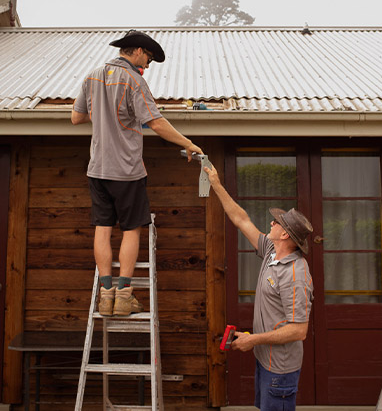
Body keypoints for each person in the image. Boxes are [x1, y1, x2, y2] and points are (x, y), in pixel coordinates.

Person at [71, 29, 203, 317]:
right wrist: (188, 142)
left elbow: (76, 117)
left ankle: (105, 296)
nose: (148, 65)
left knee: (102, 229)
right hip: (127, 171)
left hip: (97, 170)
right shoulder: (134, 79)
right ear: (139, 52)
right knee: (131, 230)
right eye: (149, 59)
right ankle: (124, 297)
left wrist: (102, 115)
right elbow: (155, 123)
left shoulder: (92, 75)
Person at [204, 164, 313, 411]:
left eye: (277, 222)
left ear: (285, 235)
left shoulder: (296, 275)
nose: (272, 223)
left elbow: (299, 331)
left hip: (280, 369)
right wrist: (216, 184)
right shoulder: (271, 252)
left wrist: (254, 339)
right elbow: (241, 219)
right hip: (266, 361)